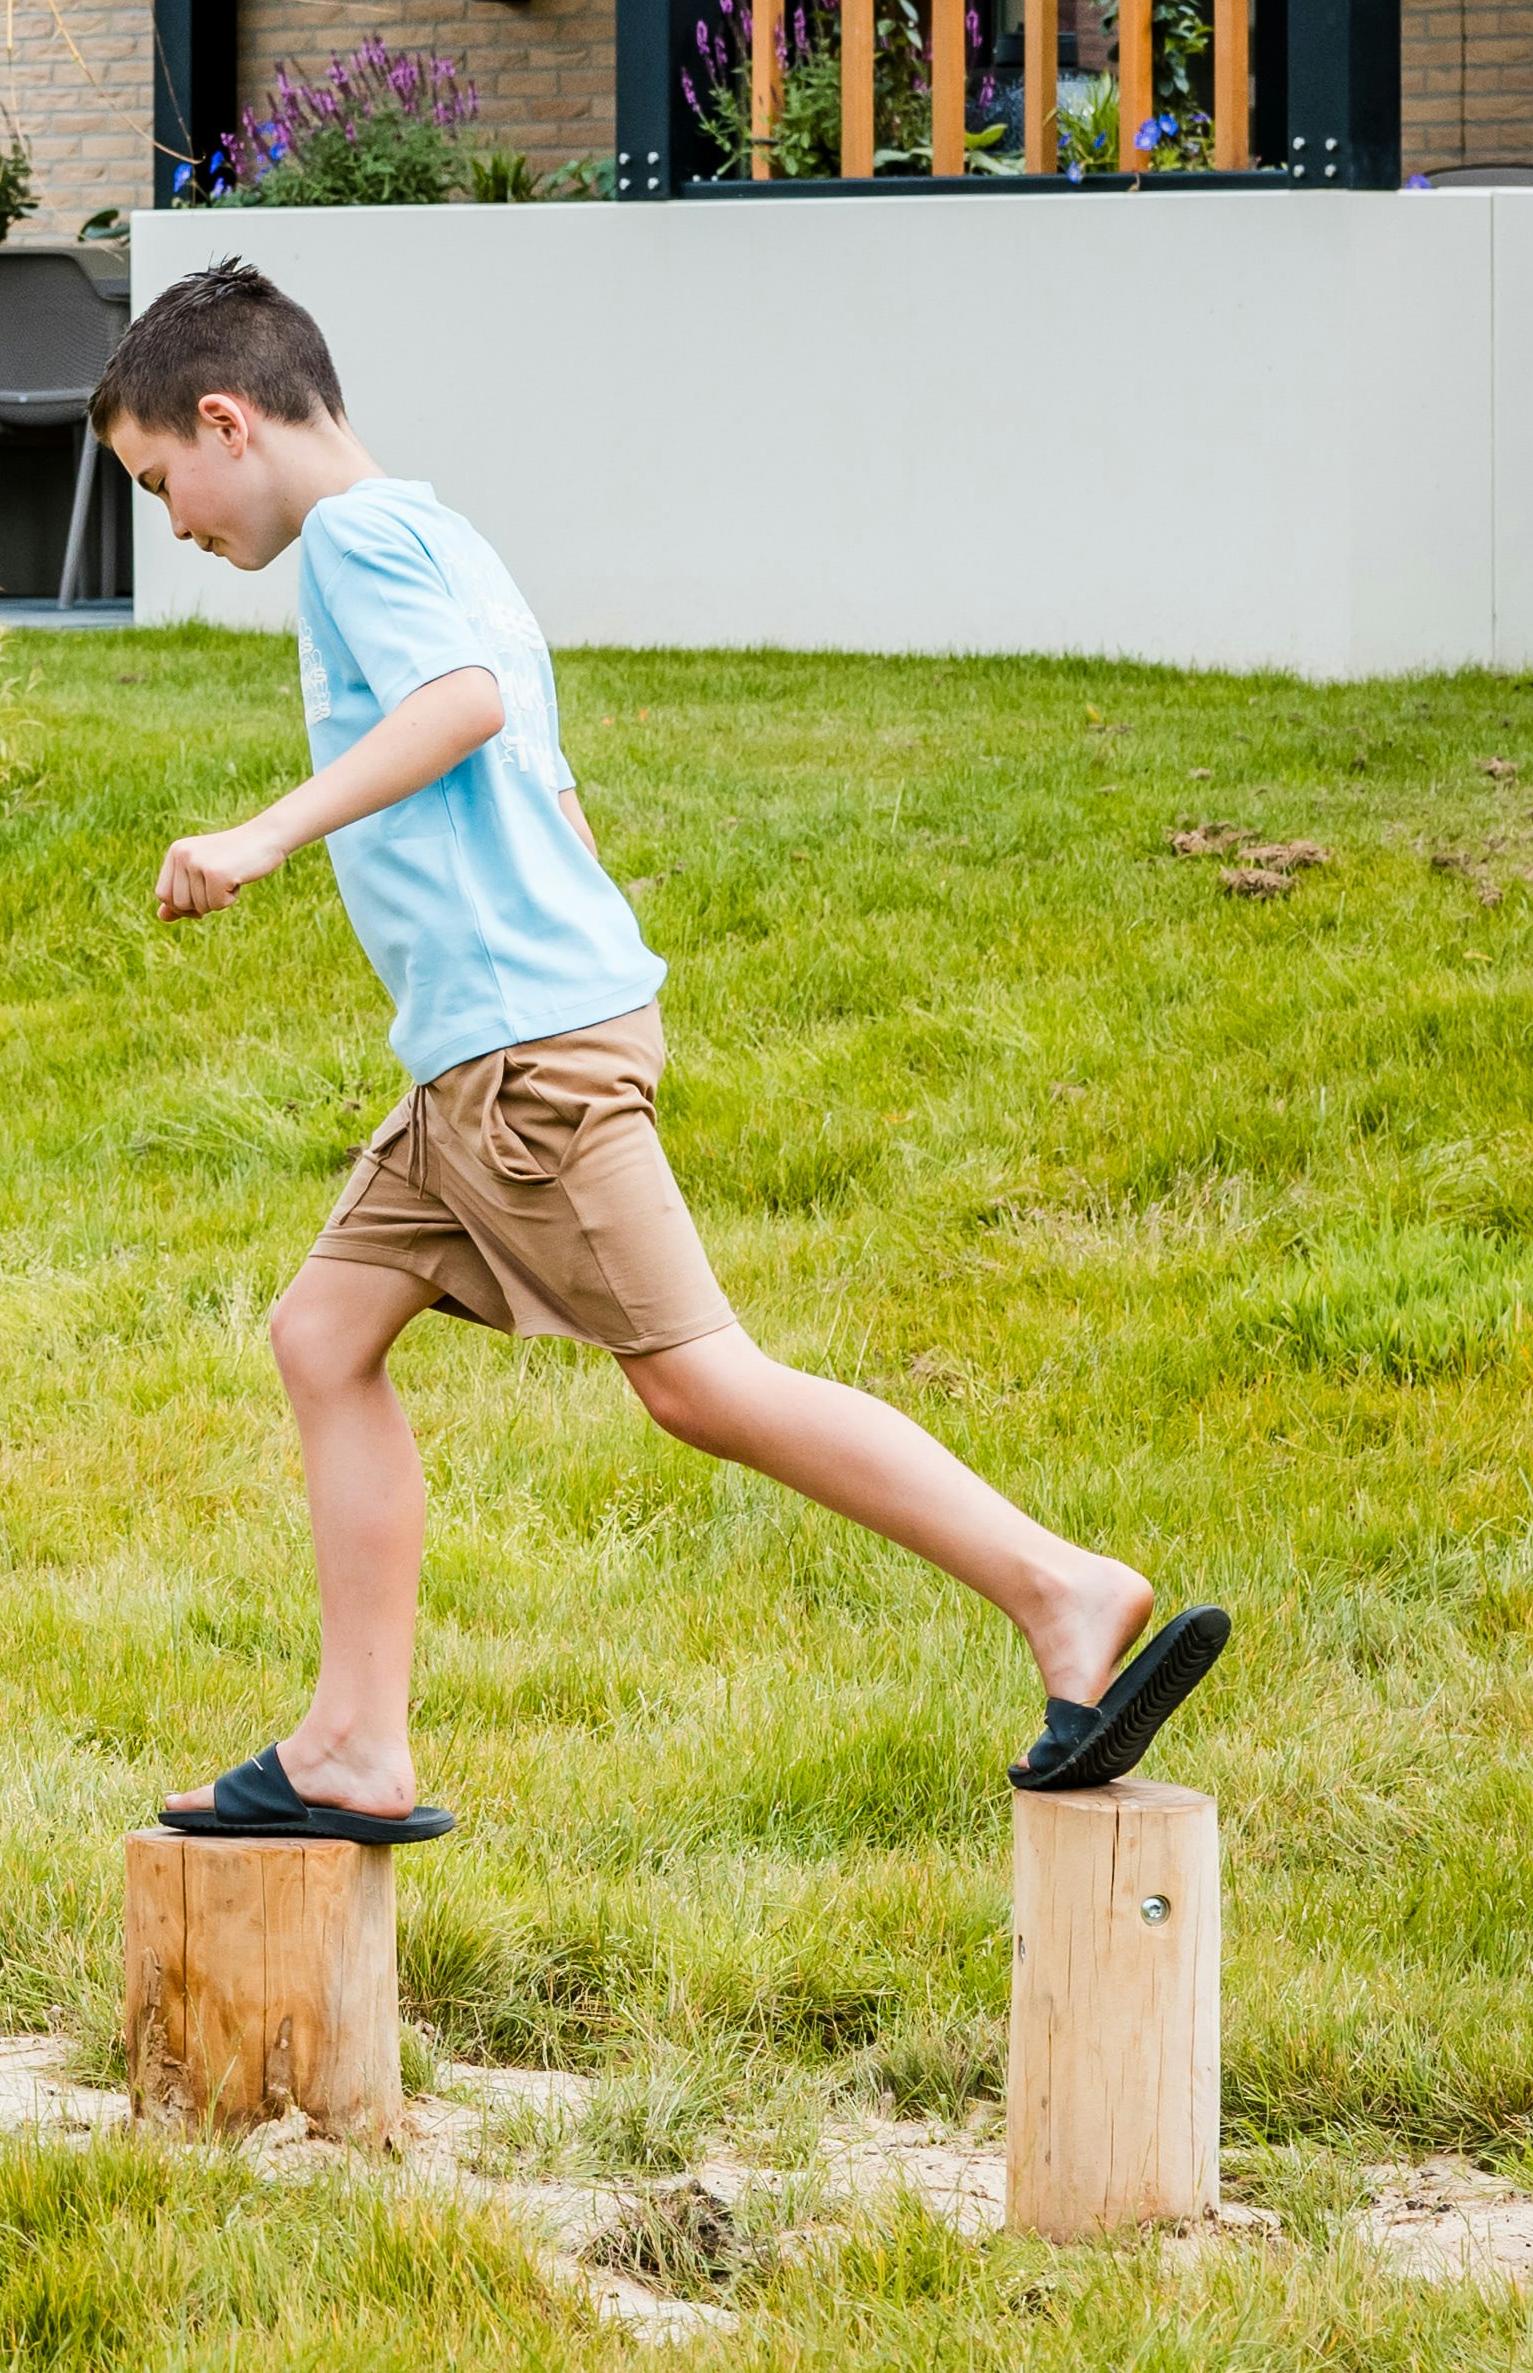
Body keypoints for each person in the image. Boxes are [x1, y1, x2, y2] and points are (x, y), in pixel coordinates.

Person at [102, 258, 1224, 1841]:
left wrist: (261, 834)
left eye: (160, 482)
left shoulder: (352, 543)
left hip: (520, 1051)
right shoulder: (440, 533)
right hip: (485, 1051)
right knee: (320, 1337)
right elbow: (544, 781)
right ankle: (349, 1743)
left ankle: (1059, 1588)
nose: (172, 524)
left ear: (225, 421)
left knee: (698, 1384)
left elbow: (463, 707)